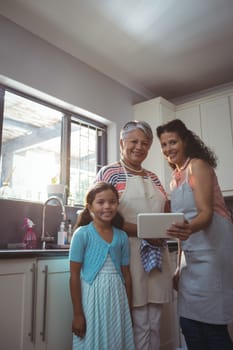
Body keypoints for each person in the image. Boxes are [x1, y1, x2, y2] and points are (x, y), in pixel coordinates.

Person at [95, 120, 173, 350]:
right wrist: (145, 231)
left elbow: (165, 208)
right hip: (128, 254)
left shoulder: (155, 178)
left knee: (155, 321)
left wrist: (166, 225)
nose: (139, 147)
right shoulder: (110, 172)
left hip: (157, 254)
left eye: (145, 143)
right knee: (137, 321)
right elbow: (102, 213)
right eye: (134, 142)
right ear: (122, 143)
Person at [156, 118, 233, 350]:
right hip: (191, 257)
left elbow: (206, 214)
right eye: (164, 145)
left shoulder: (197, 166)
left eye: (173, 142)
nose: (169, 149)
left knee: (211, 326)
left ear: (185, 141)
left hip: (213, 253)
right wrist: (179, 264)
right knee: (188, 323)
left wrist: (186, 230)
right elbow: (182, 226)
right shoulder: (174, 180)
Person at [69, 181, 135, 350]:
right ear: (89, 206)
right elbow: (74, 275)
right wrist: (77, 313)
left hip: (117, 298)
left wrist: (128, 308)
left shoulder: (122, 237)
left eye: (112, 202)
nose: (107, 206)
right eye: (100, 202)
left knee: (115, 340)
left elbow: (126, 275)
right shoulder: (82, 234)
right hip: (92, 298)